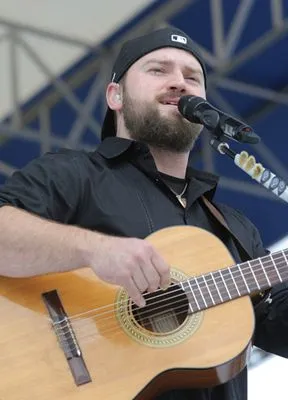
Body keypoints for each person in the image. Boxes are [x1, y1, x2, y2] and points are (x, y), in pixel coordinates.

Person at [0, 26, 287, 400]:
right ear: (115, 95)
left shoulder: (233, 227)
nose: (179, 83)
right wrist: (96, 250)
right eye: (158, 70)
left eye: (192, 77)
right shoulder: (73, 175)